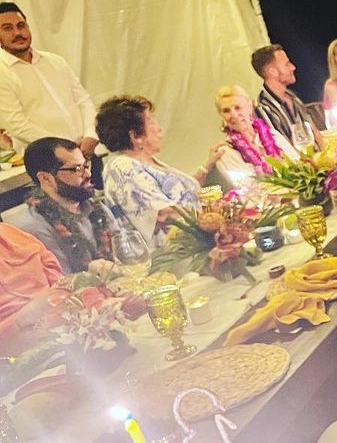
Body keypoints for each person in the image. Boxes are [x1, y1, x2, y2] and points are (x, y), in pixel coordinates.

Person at [97, 95, 225, 244]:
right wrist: (213, 212)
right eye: (151, 121)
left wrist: (208, 167)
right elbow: (160, 215)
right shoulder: (122, 167)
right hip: (170, 252)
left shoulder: (145, 161)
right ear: (135, 136)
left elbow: (182, 194)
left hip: (191, 243)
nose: (159, 128)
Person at [0, 2, 98, 160]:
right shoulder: (2, 72)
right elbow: (17, 125)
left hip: (87, 150)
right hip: (48, 161)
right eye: (7, 28)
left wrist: (91, 134)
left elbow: (83, 101)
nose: (17, 33)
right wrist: (65, 148)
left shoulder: (55, 61)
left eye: (21, 25)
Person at [22, 136, 115, 274]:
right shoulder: (36, 228)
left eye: (86, 165)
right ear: (45, 178)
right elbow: (62, 281)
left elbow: (125, 252)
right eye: (77, 169)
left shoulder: (94, 206)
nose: (88, 173)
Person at [214, 85, 297, 181]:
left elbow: (298, 165)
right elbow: (246, 185)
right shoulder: (226, 152)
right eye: (226, 111)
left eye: (238, 108)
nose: (234, 115)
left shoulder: (273, 135)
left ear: (250, 107)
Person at [250, 44, 325, 143]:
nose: (293, 67)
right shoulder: (263, 109)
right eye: (287, 64)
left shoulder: (293, 98)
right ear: (273, 72)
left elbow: (315, 133)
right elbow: (282, 147)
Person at [0, 222, 62, 339]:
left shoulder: (10, 232)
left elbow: (54, 272)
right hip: (18, 343)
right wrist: (20, 321)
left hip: (62, 325)